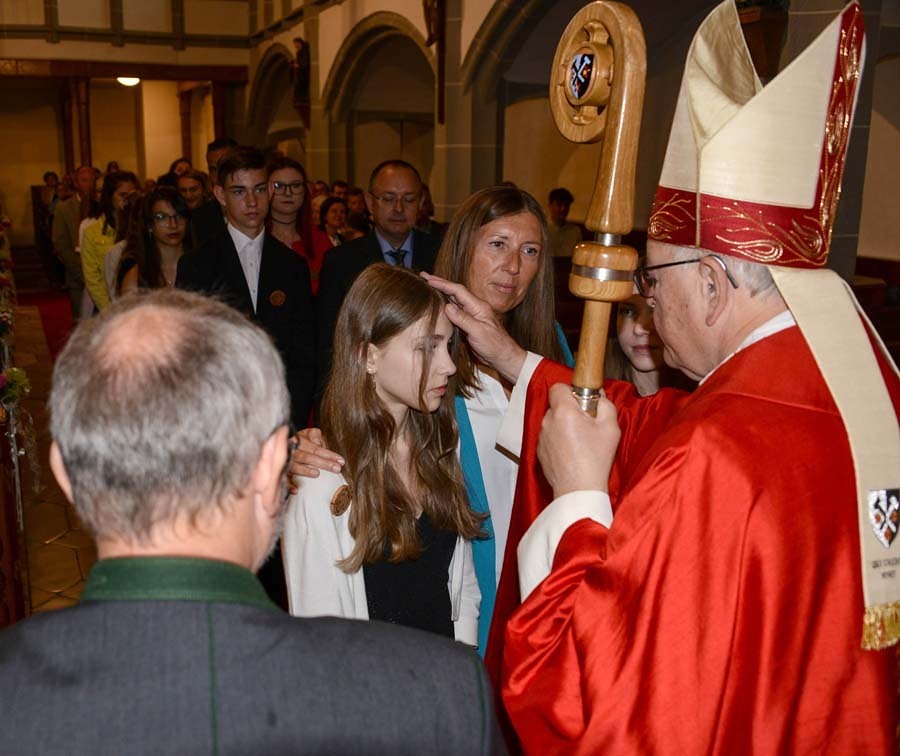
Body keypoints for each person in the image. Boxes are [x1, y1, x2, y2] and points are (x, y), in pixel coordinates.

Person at [441, 2, 899, 752]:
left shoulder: (715, 450)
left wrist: (579, 496)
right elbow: (652, 424)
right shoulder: (857, 385)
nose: (647, 305)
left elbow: (602, 698)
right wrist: (515, 358)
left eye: (653, 282)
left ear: (712, 283)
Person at [0, 289, 503, 755]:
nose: (445, 363)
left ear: (66, 475)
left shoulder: (13, 696)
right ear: (272, 469)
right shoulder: (449, 695)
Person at [294, 186, 573, 655]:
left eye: (530, 251)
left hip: (538, 565)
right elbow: (364, 420)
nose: (513, 266)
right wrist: (304, 451)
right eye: (498, 244)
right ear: (464, 247)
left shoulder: (551, 347)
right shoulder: (428, 344)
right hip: (467, 570)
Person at [284, 264, 482, 643]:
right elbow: (318, 640)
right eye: (426, 347)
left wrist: (464, 661)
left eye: (447, 345)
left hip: (443, 669)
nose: (448, 365)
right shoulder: (322, 481)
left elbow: (461, 585)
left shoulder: (441, 446)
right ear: (369, 356)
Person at [176, 146, 316, 433]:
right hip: (218, 417)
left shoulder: (292, 265)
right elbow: (189, 351)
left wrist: (289, 420)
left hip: (281, 415)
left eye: (259, 189)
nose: (252, 201)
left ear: (270, 192)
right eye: (239, 191)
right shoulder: (196, 264)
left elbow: (304, 353)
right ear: (220, 195)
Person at [316, 159, 440, 394]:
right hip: (363, 389)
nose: (399, 208)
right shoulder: (341, 261)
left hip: (430, 386)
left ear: (421, 202)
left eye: (409, 199)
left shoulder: (440, 254)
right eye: (389, 198)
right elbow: (328, 343)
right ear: (370, 202)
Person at [266, 156, 327, 294]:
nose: (288, 193)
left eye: (295, 185)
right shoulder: (254, 241)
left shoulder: (320, 240)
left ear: (305, 190)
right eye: (278, 186)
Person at [81, 170, 139, 311]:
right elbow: (93, 279)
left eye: (132, 195)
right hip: (107, 305)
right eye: (122, 195)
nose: (127, 200)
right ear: (109, 197)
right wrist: (110, 310)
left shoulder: (142, 227)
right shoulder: (92, 232)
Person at [118, 186, 189, 295]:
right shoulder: (136, 278)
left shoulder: (204, 267)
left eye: (179, 215)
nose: (173, 224)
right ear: (149, 225)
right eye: (162, 217)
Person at [52, 165, 96, 317]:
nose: (89, 185)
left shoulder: (102, 206)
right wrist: (81, 272)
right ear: (76, 183)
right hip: (77, 274)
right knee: (81, 320)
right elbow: (61, 244)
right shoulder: (63, 208)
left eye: (92, 180)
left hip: (102, 274)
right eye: (84, 180)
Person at [546, 187, 583, 258]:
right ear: (550, 205)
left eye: (566, 205)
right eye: (559, 205)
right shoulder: (542, 229)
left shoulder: (575, 231)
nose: (563, 209)